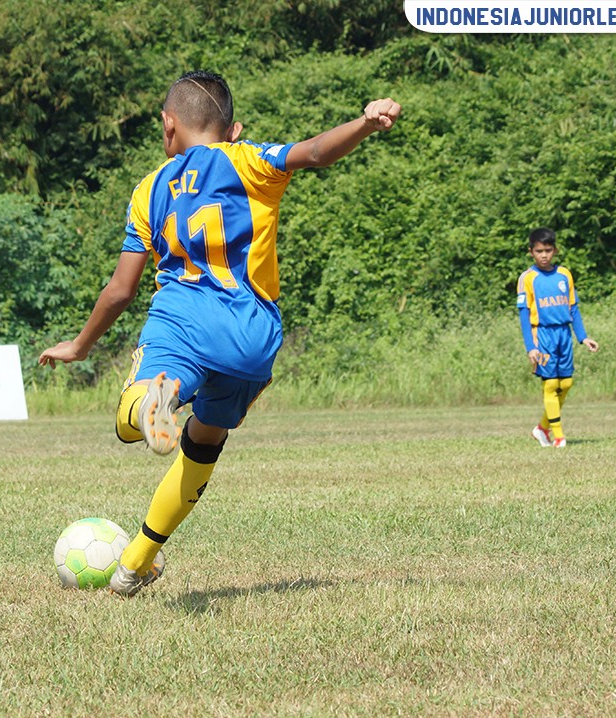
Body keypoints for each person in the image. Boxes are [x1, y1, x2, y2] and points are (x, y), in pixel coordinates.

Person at [39, 70, 400, 596]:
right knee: (203, 444)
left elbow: (120, 291)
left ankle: (151, 404)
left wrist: (79, 345)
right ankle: (135, 563)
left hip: (184, 320)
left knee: (128, 420)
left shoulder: (150, 189)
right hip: (252, 338)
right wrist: (366, 123)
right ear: (233, 129)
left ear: (168, 126)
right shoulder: (248, 159)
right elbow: (317, 152)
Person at [516, 228, 599, 448]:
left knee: (567, 382)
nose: (544, 255)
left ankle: (542, 428)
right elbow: (524, 315)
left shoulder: (565, 274)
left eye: (548, 250)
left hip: (564, 334)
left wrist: (582, 337)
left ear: (555, 250)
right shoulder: (527, 278)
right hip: (542, 335)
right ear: (531, 252)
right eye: (539, 251)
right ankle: (559, 436)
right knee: (551, 384)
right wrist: (530, 347)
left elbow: (573, 308)